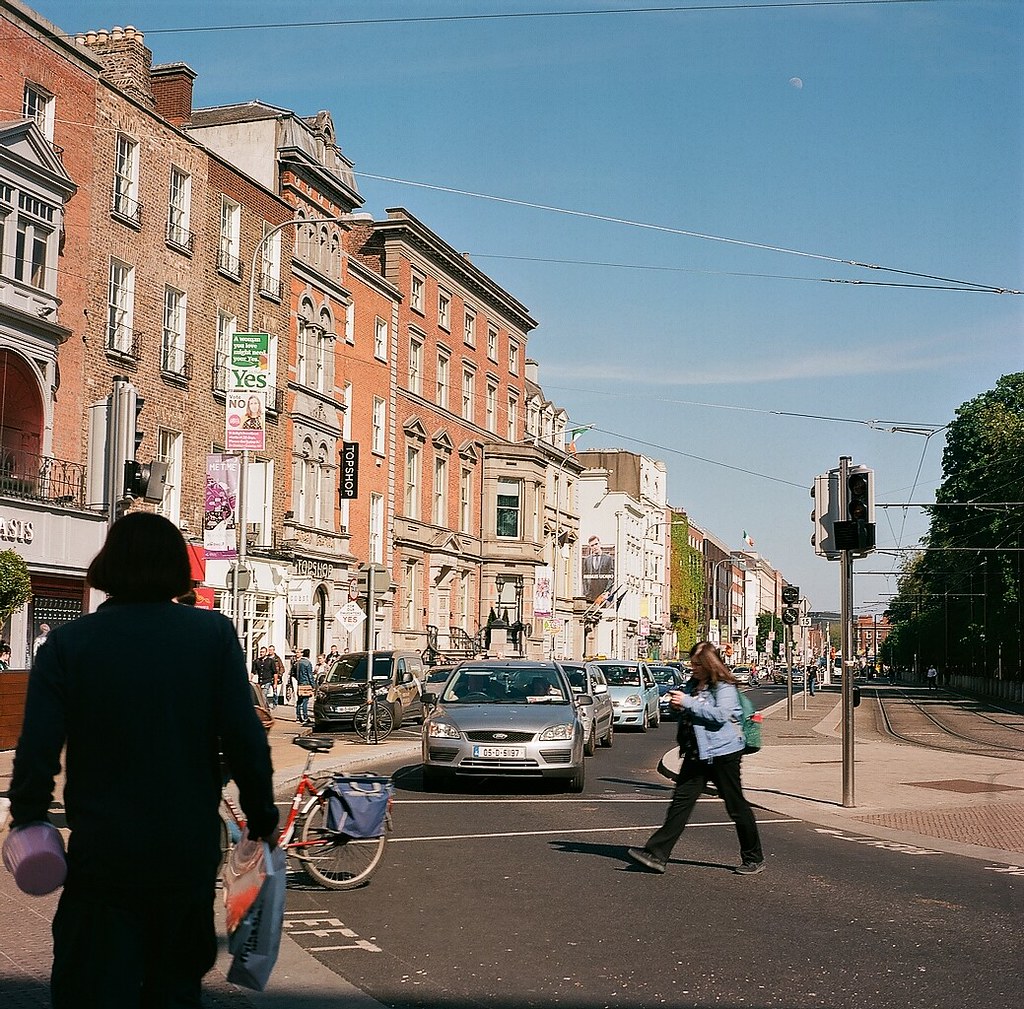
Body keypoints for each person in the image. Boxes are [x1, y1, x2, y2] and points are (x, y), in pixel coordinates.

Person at [8, 512, 278, 1008]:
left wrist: (28, 817)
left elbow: (37, 748)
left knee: (91, 987)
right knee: (174, 988)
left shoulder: (69, 644)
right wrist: (262, 816)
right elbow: (245, 739)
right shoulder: (212, 636)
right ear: (177, 569)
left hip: (103, 855)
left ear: (108, 565)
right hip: (184, 853)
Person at [627, 641, 764, 876]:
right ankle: (657, 854)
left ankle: (754, 857)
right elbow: (690, 714)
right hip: (697, 753)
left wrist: (687, 702)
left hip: (723, 754)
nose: (694, 669)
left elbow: (720, 716)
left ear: (710, 664)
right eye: (692, 664)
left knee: (736, 806)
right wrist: (678, 707)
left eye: (698, 665)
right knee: (680, 804)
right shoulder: (692, 685)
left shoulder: (724, 687)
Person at [582, 535, 614, 603]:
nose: (595, 547)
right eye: (592, 545)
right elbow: (584, 578)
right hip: (590, 595)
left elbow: (611, 577)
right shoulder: (587, 560)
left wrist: (607, 592)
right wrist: (585, 592)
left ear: (600, 544)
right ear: (590, 547)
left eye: (596, 544)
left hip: (602, 595)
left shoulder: (608, 558)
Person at [294, 647, 315, 725]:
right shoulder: (308, 663)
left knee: (299, 701)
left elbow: (296, 673)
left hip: (300, 683)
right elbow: (310, 675)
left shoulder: (298, 663)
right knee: (305, 701)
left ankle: (298, 717)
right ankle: (305, 717)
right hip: (306, 683)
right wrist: (313, 685)